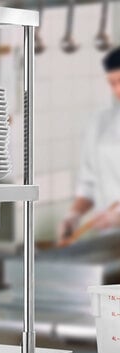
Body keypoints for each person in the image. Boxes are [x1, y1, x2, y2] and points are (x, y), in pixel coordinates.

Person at [58, 46, 120, 244]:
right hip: (109, 243)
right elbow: (89, 184)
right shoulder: (100, 123)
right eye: (112, 83)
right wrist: (74, 215)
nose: (117, 90)